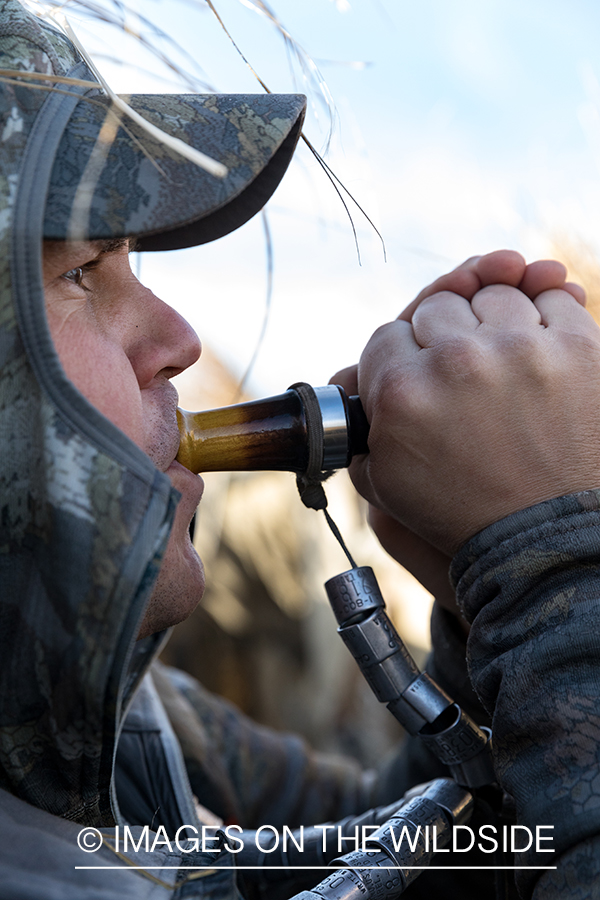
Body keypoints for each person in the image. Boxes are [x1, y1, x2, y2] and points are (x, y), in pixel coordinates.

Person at [0, 3, 597, 899]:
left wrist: (495, 618)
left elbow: (386, 853)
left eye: (134, 263)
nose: (180, 338)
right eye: (80, 272)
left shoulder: (113, 728)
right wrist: (560, 575)